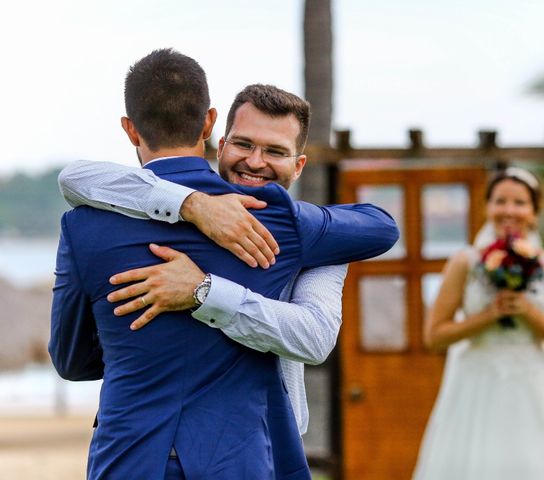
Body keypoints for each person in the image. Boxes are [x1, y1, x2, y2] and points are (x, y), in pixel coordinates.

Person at [50, 49, 398, 480]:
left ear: (129, 128)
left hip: (127, 456)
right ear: (212, 126)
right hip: (233, 459)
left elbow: (70, 360)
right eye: (246, 144)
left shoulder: (83, 226)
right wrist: (192, 204)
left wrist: (142, 337)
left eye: (273, 151)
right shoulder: (278, 221)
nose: (255, 162)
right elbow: (381, 227)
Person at [412, 167, 544, 480]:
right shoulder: (465, 263)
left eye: (520, 202)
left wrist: (529, 312)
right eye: (500, 201)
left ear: (535, 212)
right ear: (487, 207)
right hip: (475, 385)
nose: (509, 210)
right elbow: (435, 337)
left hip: (534, 386)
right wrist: (489, 315)